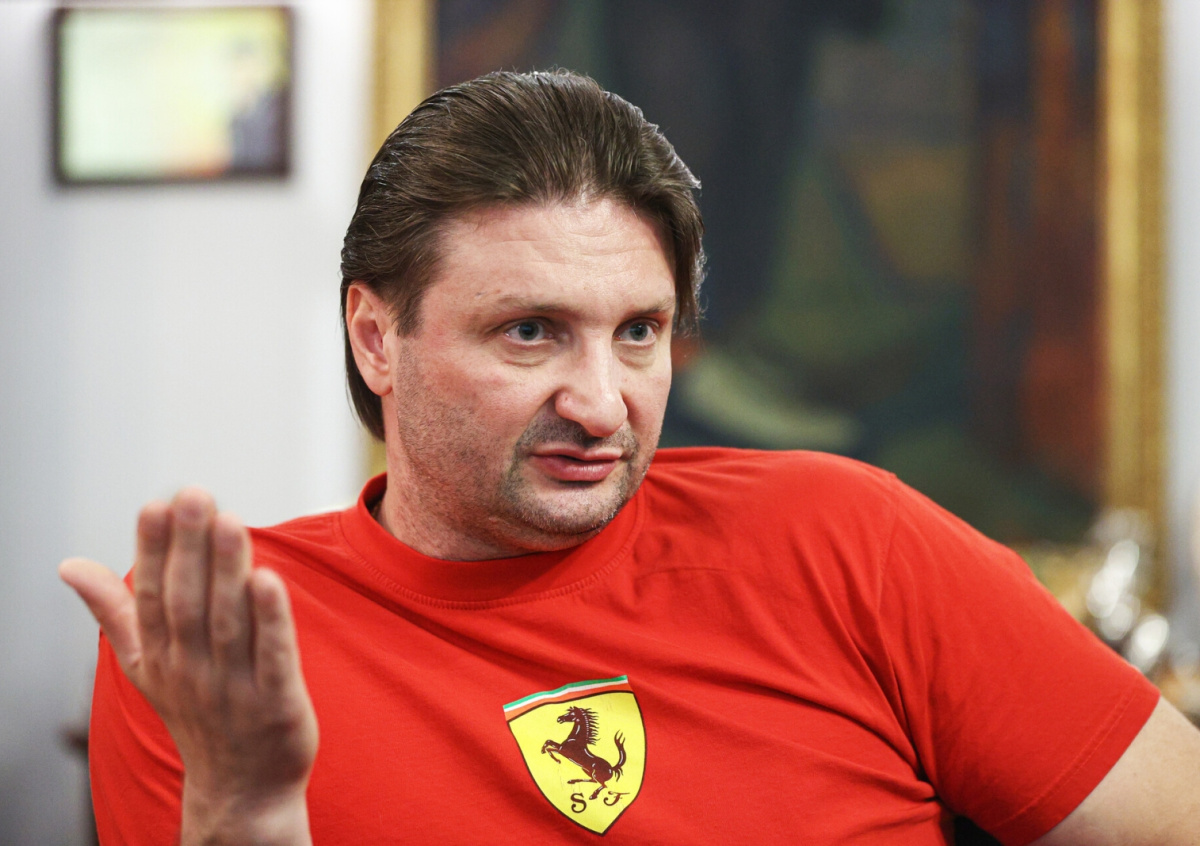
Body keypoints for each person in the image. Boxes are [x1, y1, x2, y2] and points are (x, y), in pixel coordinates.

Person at [61, 70, 1200, 845]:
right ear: (376, 336)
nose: (602, 403)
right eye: (530, 331)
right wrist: (252, 814)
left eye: (640, 332)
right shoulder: (220, 645)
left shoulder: (852, 537)